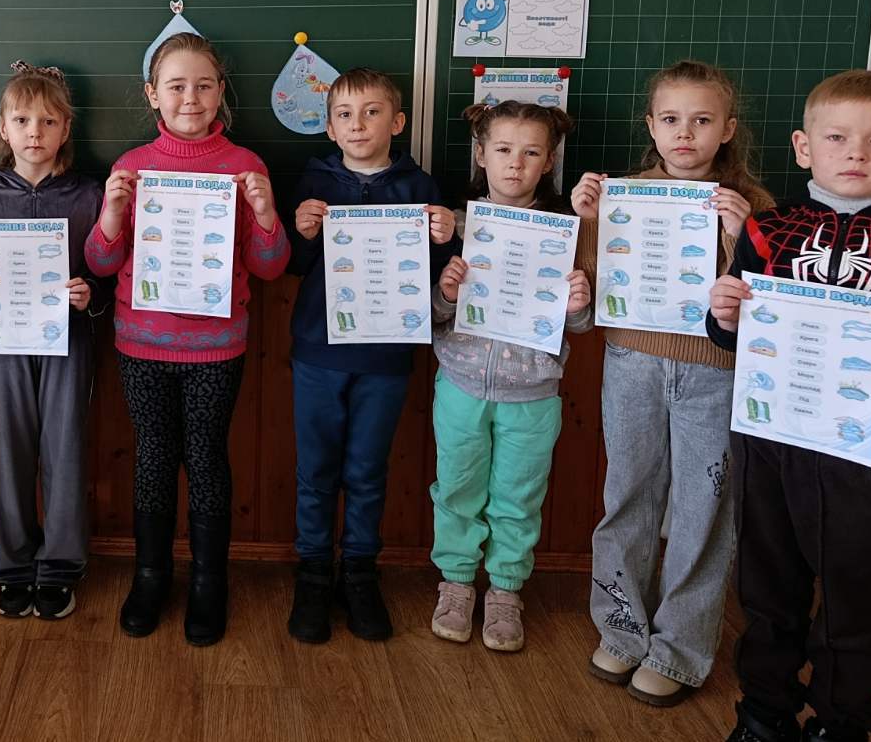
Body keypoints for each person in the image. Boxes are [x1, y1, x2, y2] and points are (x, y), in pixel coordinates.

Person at [708, 70, 871, 742]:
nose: (856, 153)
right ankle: (763, 713)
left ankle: (842, 722)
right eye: (837, 138)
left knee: (858, 597)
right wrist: (724, 316)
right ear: (804, 147)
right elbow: (731, 333)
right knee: (768, 586)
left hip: (868, 452)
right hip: (773, 440)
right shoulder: (768, 229)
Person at [570, 61, 773, 706]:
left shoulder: (756, 207)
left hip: (716, 376)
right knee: (627, 495)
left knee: (702, 511)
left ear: (727, 129)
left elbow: (770, 309)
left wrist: (743, 237)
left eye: (702, 120)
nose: (686, 133)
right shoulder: (622, 196)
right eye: (671, 119)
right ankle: (622, 629)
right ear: (651, 126)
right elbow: (588, 290)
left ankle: (680, 649)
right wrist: (587, 222)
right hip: (632, 363)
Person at [85, 32, 289, 646]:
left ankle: (208, 581)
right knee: (152, 456)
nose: (190, 98)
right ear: (153, 94)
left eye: (203, 85)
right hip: (141, 343)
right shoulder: (131, 166)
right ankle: (150, 575)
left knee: (205, 457)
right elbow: (100, 262)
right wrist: (112, 214)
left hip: (215, 349)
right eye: (176, 86)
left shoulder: (245, 166)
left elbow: (271, 267)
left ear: (221, 90)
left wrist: (267, 215)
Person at [284, 67, 454, 643]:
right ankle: (313, 572)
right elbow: (292, 265)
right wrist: (302, 233)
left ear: (397, 122)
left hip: (385, 355)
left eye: (372, 112)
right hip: (318, 353)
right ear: (329, 128)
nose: (358, 125)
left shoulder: (420, 187)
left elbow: (437, 276)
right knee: (316, 470)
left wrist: (446, 238)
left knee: (366, 470)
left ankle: (359, 571)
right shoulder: (312, 183)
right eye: (345, 115)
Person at [429, 100, 592, 654]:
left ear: (549, 162)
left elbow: (580, 325)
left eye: (531, 152)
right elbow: (431, 314)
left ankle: (505, 589)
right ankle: (456, 583)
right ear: (481, 155)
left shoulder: (566, 234)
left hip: (533, 394)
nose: (515, 163)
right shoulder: (455, 228)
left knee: (518, 497)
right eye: (502, 149)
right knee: (457, 488)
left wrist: (576, 306)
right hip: (461, 384)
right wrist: (447, 293)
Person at [0, 62, 108, 620]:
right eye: (22, 120)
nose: (34, 132)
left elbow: (107, 274)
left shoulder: (89, 194)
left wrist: (90, 294)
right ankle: (14, 565)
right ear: (3, 128)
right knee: (9, 450)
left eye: (48, 121)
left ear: (66, 129)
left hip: (69, 342)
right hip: (5, 344)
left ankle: (61, 566)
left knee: (64, 450)